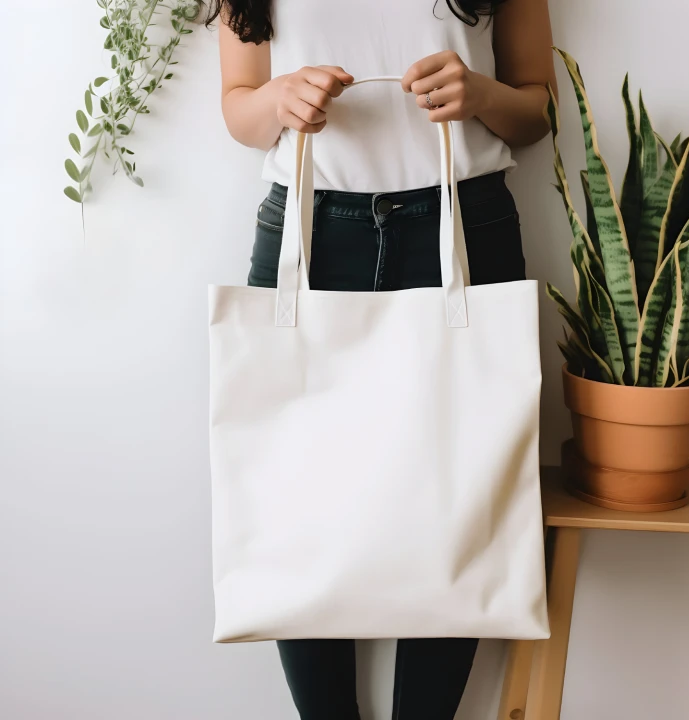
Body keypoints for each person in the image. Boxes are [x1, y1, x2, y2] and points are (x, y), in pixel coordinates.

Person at [207, 1, 557, 718]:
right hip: (311, 224)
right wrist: (279, 98)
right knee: (298, 495)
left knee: (464, 494)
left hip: (466, 218)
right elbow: (239, 108)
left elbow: (536, 105)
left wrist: (481, 95)